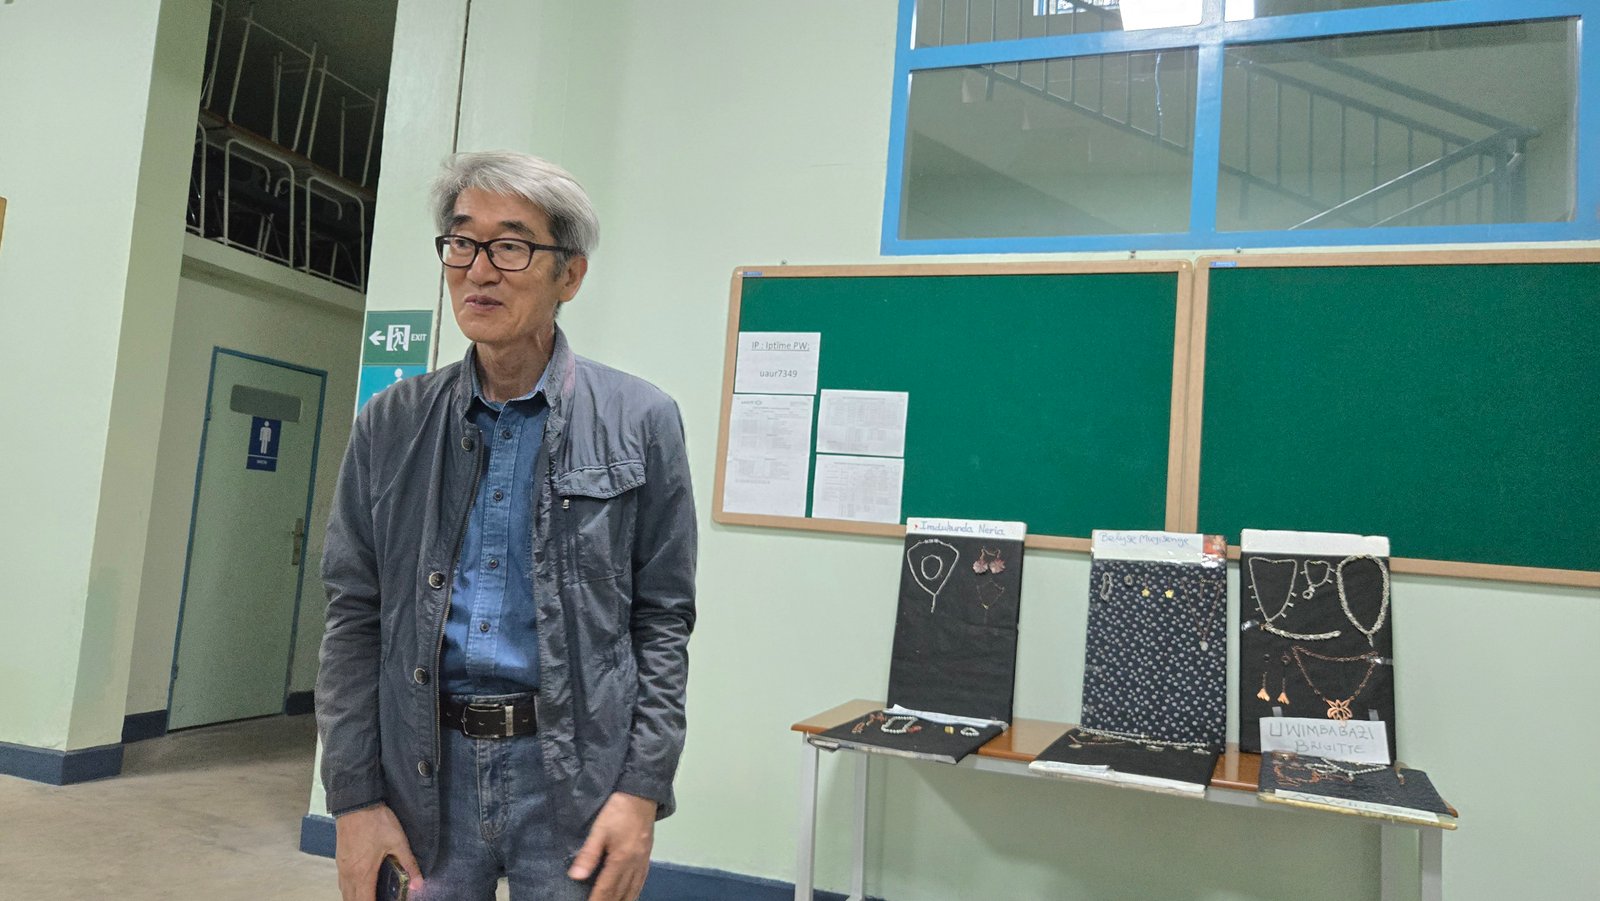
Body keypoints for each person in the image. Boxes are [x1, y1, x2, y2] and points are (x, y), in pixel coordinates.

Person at [316, 151, 697, 901]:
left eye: (511, 245)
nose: (478, 269)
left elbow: (662, 622)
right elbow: (353, 619)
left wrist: (641, 790)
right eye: (462, 243)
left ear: (570, 275)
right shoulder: (390, 425)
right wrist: (355, 798)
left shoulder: (641, 421)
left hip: (571, 778)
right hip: (422, 773)